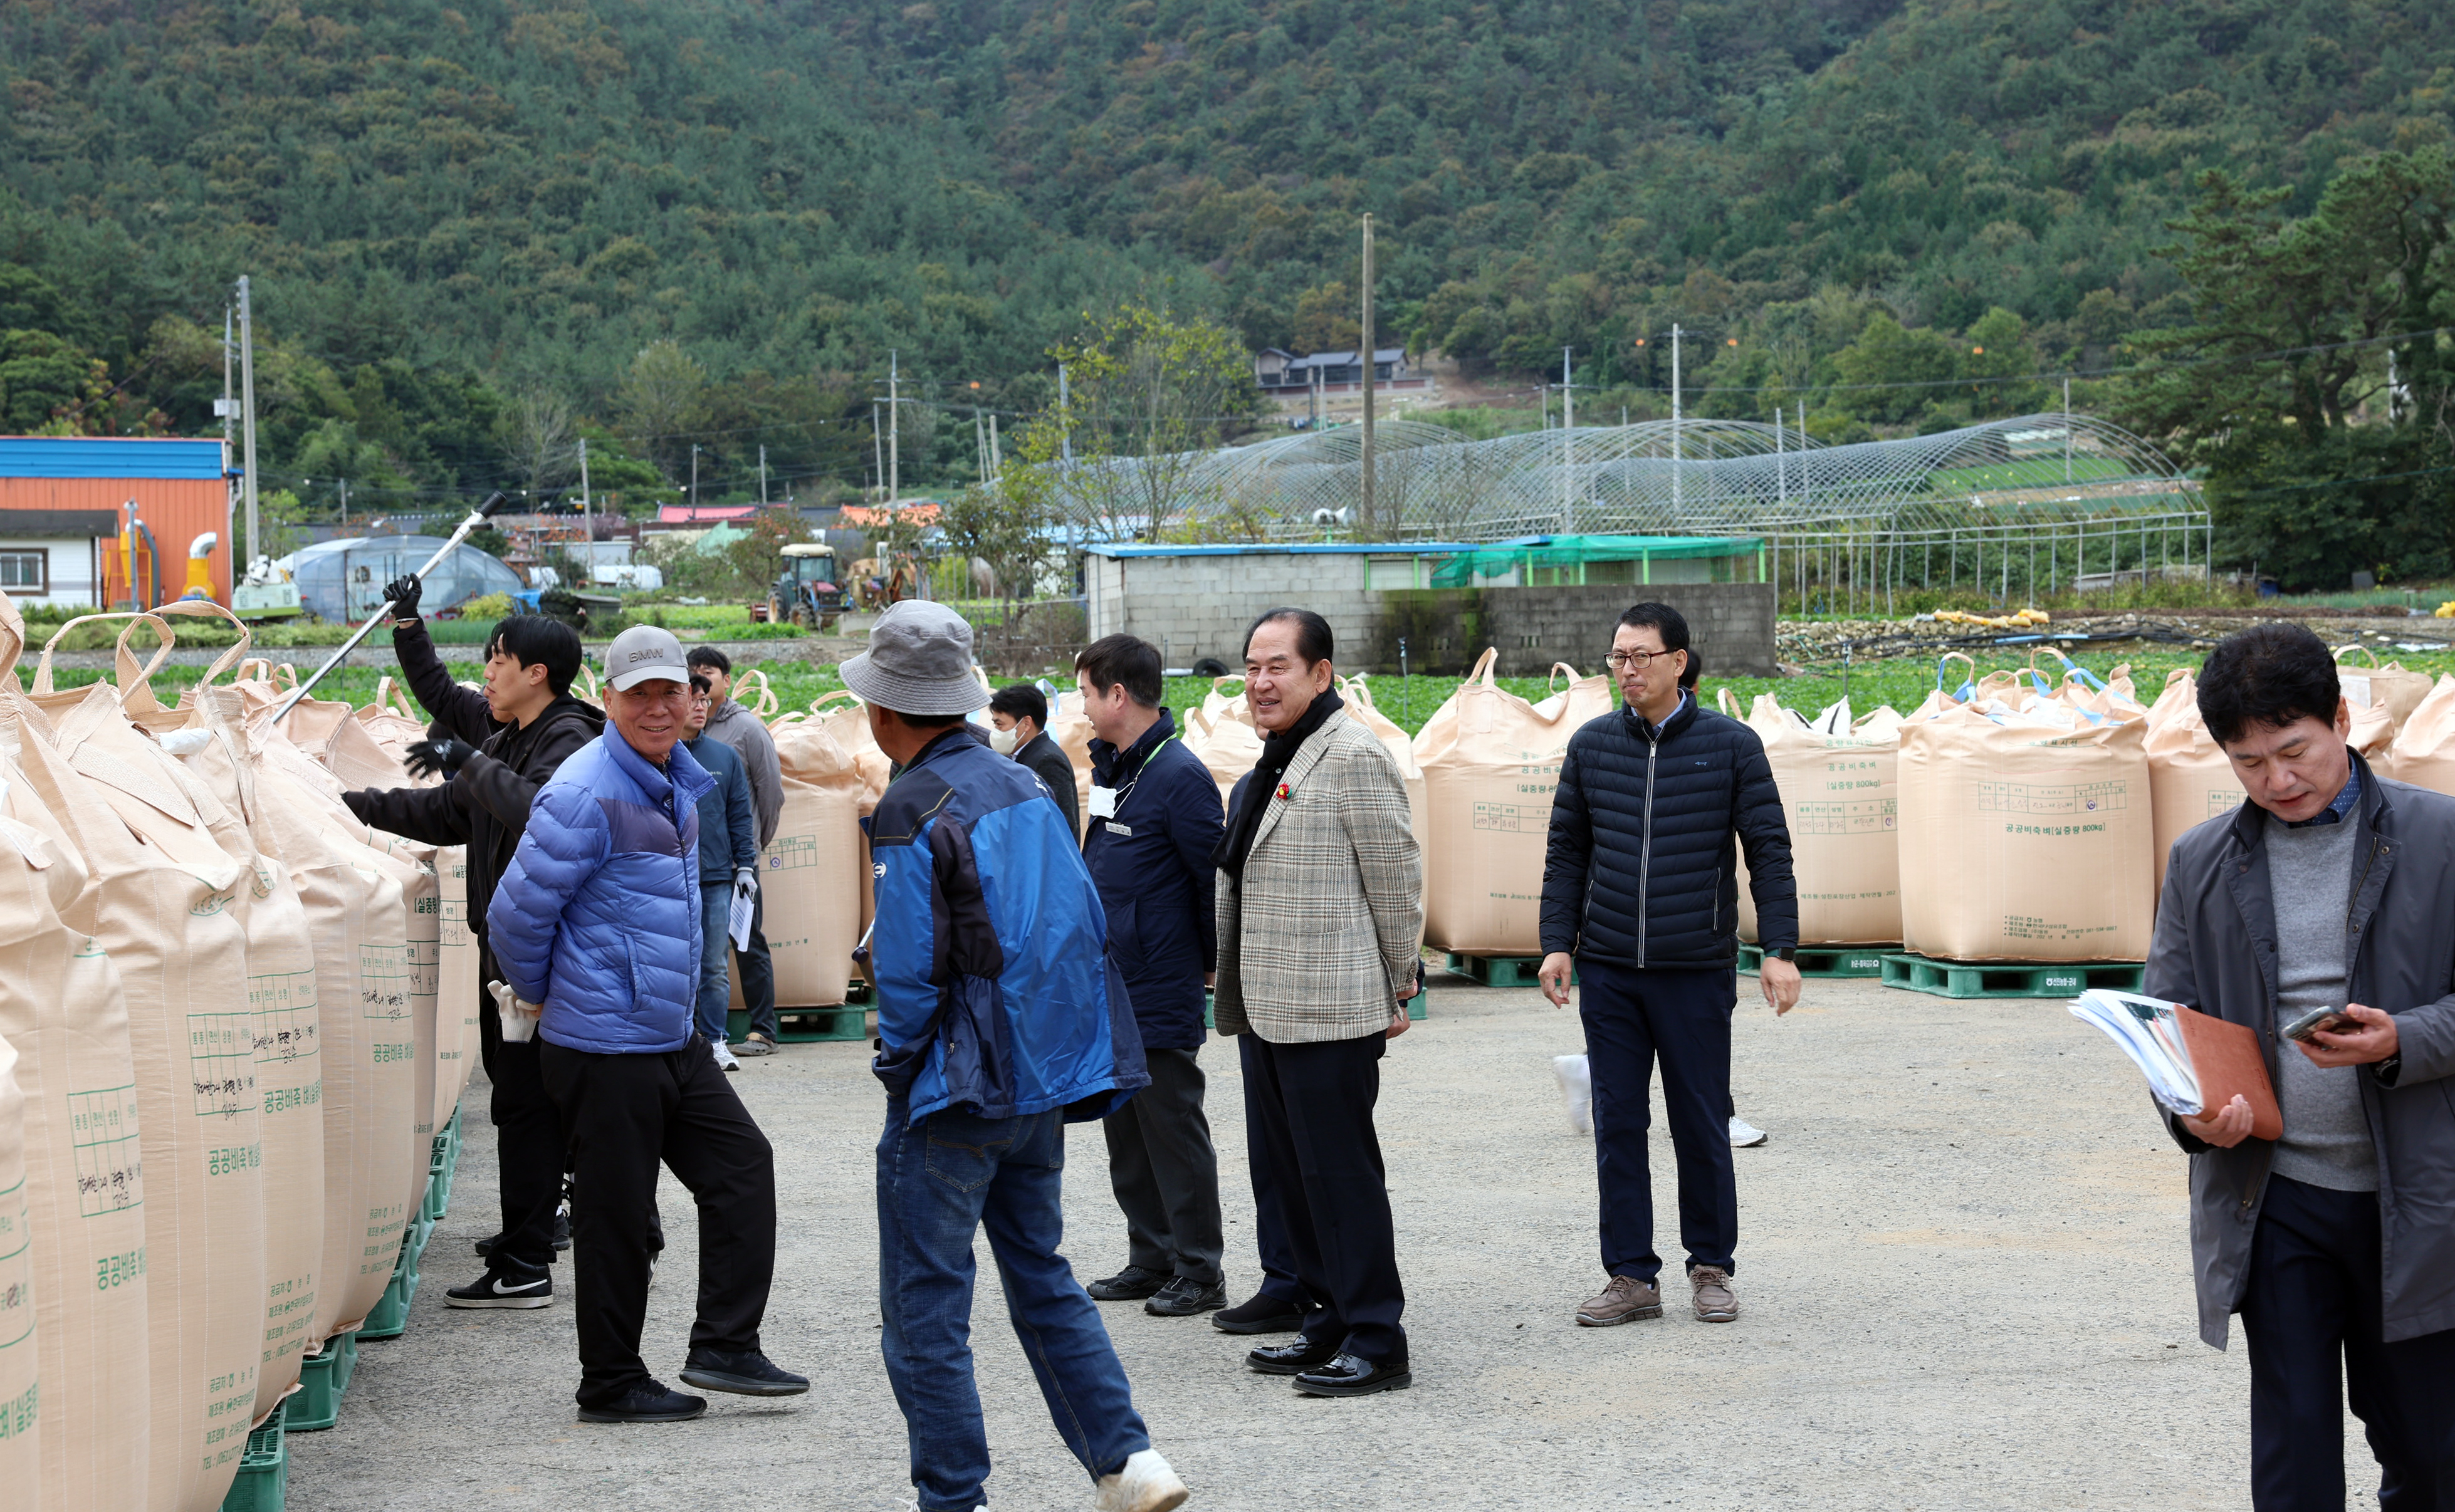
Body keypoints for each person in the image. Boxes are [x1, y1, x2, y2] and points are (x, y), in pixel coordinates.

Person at [851, 602, 1189, 1512]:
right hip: (1037, 1079)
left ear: (885, 712)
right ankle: (1127, 1460)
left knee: (925, 1313)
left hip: (953, 1090)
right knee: (1041, 1275)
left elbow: (910, 975)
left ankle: (954, 1498)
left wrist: (898, 1067)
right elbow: (1078, 920)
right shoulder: (1025, 785)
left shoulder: (909, 806)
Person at [2147, 622, 2455, 1509]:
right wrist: (2191, 1110)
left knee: (2432, 1452)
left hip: (2421, 1201)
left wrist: (2405, 1037)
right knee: (2295, 1455)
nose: (2276, 781)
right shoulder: (2201, 863)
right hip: (2275, 1200)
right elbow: (2170, 1022)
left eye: (2293, 751)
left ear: (2341, 718)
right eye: (2247, 763)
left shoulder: (2439, 837)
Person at [490, 625, 805, 1423]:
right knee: (617, 1215)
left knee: (741, 1168)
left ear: (694, 696)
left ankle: (725, 1344)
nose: (659, 708)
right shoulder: (586, 791)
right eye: (640, 694)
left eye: (672, 691)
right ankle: (611, 1382)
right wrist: (546, 996)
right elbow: (515, 918)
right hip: (601, 1045)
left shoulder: (674, 777)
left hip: (667, 1036)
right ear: (608, 700)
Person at [1537, 602, 1800, 1330]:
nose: (1626, 670)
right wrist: (1556, 941)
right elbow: (1567, 850)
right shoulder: (1591, 747)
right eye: (1616, 657)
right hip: (1611, 969)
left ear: (1677, 661)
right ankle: (1629, 1276)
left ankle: (1710, 1266)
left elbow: (1767, 851)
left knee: (1698, 1123)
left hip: (1694, 968)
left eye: (1640, 656)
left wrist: (1778, 950)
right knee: (1617, 1123)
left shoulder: (1731, 746)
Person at [342, 580, 600, 1310]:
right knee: (528, 1106)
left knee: (532, 1106)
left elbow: (540, 816)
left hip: (545, 959)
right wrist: (338, 807)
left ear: (535, 673)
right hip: (507, 955)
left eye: (496, 660)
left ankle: (527, 1263)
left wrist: (469, 759)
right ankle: (531, 1240)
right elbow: (444, 811)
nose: (484, 673)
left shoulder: (569, 740)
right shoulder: (507, 738)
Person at [1213, 607, 1423, 1399]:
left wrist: (1397, 980)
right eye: (1252, 667)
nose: (1260, 682)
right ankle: (1329, 1316)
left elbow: (1395, 878)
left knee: (1340, 1176)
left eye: (1277, 667)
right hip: (1266, 1004)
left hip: (1329, 1005)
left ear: (1321, 673)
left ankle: (1377, 1336)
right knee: (1292, 1175)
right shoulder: (1279, 754)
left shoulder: (1352, 753)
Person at [1072, 635, 1230, 1318]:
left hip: (1160, 978)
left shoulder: (1177, 774)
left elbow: (1211, 882)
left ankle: (1199, 1268)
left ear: (1117, 695)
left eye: (1083, 692)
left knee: (1171, 1125)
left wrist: (1208, 964)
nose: (1078, 707)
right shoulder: (1116, 767)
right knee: (1126, 1127)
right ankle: (1151, 1253)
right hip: (1115, 978)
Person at [1675, 649, 1771, 1152]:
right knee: (1700, 1032)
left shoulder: (1729, 744)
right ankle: (1720, 1112)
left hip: (1689, 932)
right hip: (1691, 938)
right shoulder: (1606, 744)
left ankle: (1584, 1071)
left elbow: (1766, 846)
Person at [686, 646, 783, 1056]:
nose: (700, 699)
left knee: (746, 941)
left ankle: (763, 1028)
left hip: (733, 862)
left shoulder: (745, 729)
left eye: (707, 676)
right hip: (692, 863)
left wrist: (751, 854)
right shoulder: (671, 735)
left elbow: (770, 793)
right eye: (693, 679)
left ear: (727, 678)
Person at [684, 672, 760, 1073]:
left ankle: (715, 1041)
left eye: (704, 701)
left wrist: (745, 866)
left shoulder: (723, 756)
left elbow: (739, 816)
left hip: (715, 877)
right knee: (674, 963)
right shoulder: (654, 755)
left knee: (713, 965)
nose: (700, 707)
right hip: (666, 879)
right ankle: (677, 1041)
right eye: (693, 699)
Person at [990, 681, 1080, 836]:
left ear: (1026, 723)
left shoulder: (1048, 761)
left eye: (1000, 725)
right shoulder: (1017, 756)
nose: (996, 731)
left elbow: (1062, 823)